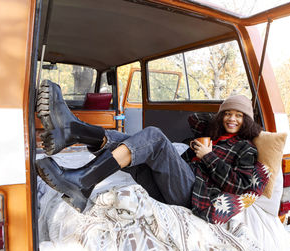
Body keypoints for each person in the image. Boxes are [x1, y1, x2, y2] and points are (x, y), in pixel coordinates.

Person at [36, 80, 270, 224]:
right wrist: (208, 137)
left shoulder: (245, 148)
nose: (232, 118)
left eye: (239, 116)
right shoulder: (212, 135)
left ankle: (82, 172)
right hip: (170, 187)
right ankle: (73, 132)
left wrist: (208, 157)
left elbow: (240, 186)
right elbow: (195, 118)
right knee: (133, 144)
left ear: (246, 121)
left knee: (155, 137)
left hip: (193, 196)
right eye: (228, 113)